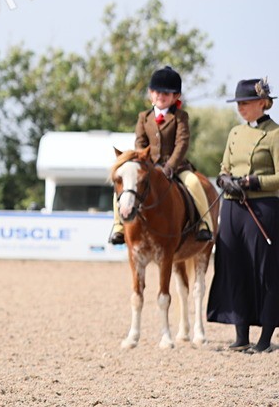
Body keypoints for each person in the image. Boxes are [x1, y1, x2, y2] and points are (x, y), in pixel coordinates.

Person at [207, 77, 278, 353]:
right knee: (233, 267)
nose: (241, 108)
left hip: (262, 209)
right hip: (232, 208)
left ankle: (265, 339)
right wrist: (224, 180)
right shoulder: (235, 133)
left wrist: (251, 182)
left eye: (245, 103)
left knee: (265, 272)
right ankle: (241, 335)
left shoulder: (274, 134)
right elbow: (224, 166)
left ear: (263, 102)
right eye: (238, 103)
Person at [109, 65, 212, 244]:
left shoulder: (180, 117)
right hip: (148, 166)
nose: (160, 96)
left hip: (176, 167)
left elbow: (182, 143)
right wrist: (143, 161)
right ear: (150, 93)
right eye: (156, 92)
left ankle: (204, 224)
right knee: (124, 184)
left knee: (194, 183)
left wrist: (170, 166)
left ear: (175, 97)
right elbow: (140, 142)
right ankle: (118, 225)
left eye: (166, 93)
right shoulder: (144, 117)